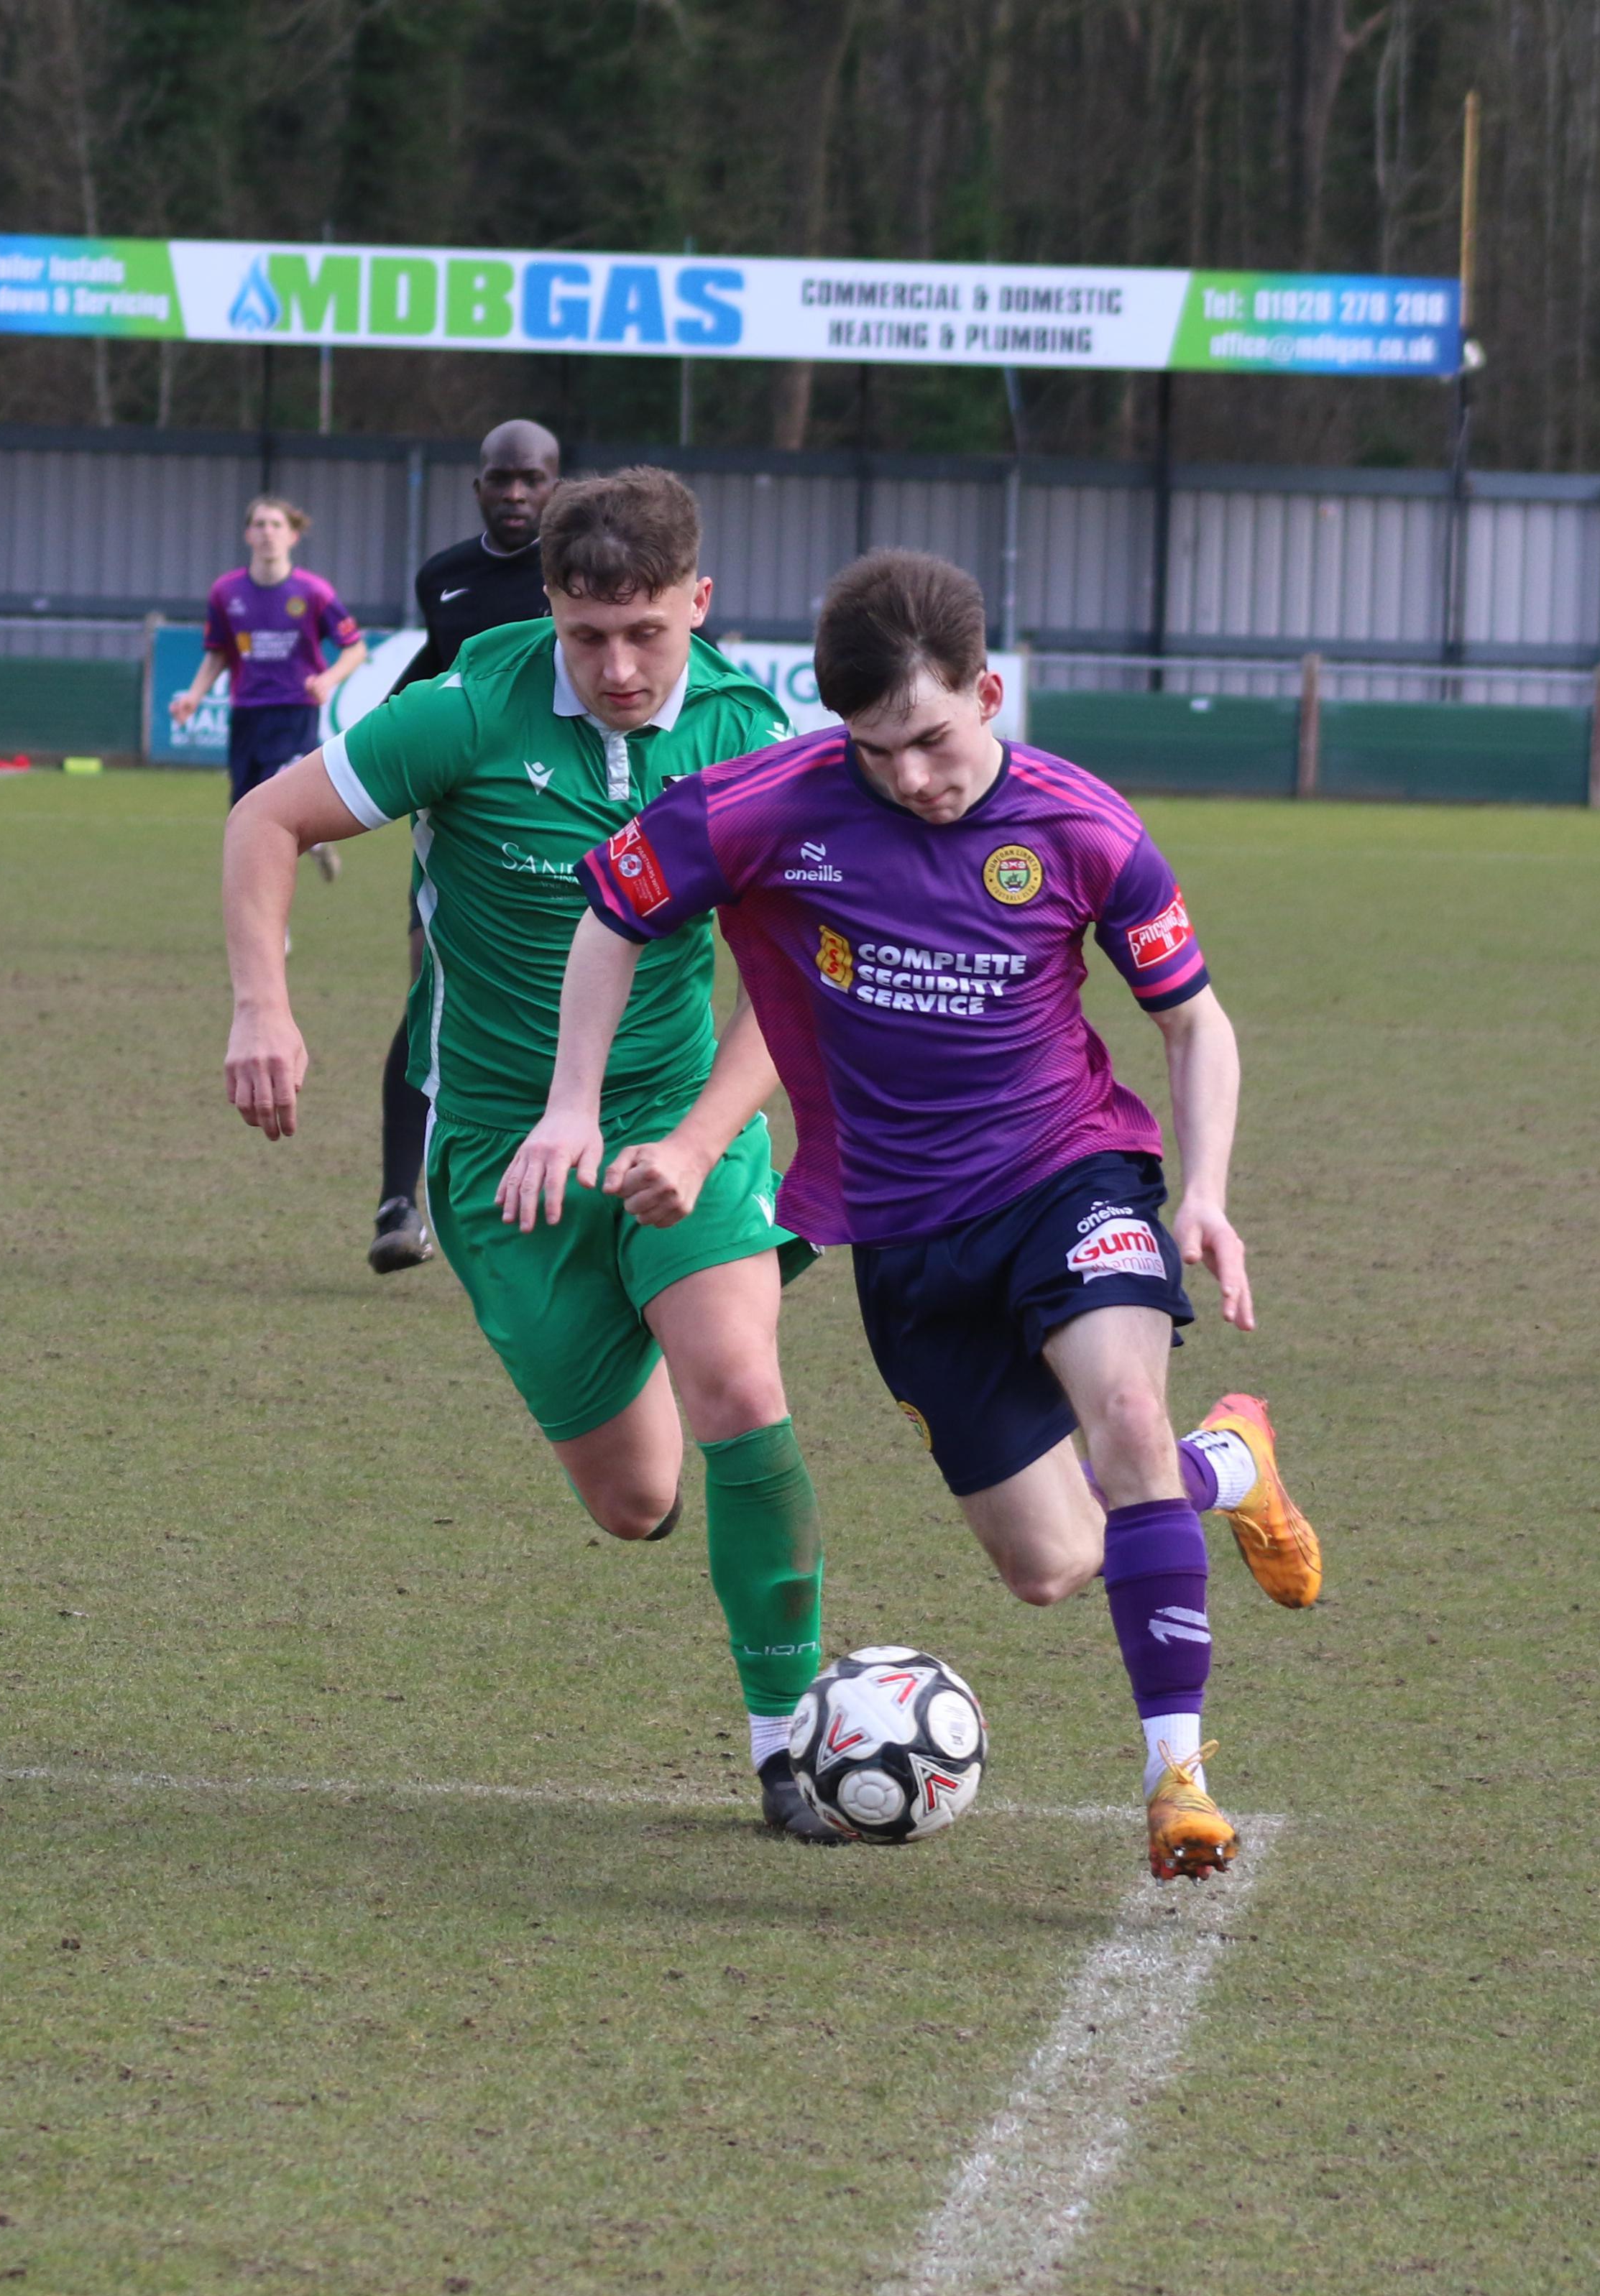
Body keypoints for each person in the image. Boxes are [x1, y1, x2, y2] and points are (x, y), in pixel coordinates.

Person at [497, 549, 1322, 1883]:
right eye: (876, 751)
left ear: (987, 693)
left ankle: (1177, 1776)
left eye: (932, 740)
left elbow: (1194, 1022)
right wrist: (574, 1105)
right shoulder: (770, 804)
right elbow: (612, 912)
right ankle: (1226, 1463)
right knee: (1051, 1563)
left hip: (1069, 1174)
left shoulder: (1084, 825)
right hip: (902, 1234)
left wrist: (1209, 1193)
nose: (911, 778)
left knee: (1122, 1412)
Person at [219, 468, 844, 1838]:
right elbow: (265, 818)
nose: (617, 668)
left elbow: (794, 983)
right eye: (586, 634)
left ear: (699, 602)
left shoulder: (749, 737)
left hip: (678, 1123)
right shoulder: (466, 708)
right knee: (634, 1500)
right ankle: (665, 1345)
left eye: (647, 634)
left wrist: (700, 1136)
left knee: (740, 1383)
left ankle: (784, 1740)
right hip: (502, 1156)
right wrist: (263, 1003)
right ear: (550, 607)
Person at [368, 420, 565, 1276]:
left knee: (569, 1008)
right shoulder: (442, 578)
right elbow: (433, 672)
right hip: (457, 822)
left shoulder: (579, 574)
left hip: (565, 821)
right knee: (429, 1001)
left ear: (556, 486)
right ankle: (397, 1202)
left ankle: (557, 1194)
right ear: (478, 485)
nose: (515, 494)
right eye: (501, 479)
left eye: (532, 479)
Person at [170, 496, 365, 891]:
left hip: (295, 711)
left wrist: (328, 680)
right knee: (245, 813)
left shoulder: (313, 591)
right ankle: (309, 850)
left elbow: (355, 648)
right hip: (247, 713)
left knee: (277, 801)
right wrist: (194, 695)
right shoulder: (226, 592)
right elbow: (218, 654)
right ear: (248, 534)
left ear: (293, 536)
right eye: (259, 525)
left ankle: (287, 870)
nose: (267, 533)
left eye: (277, 525)